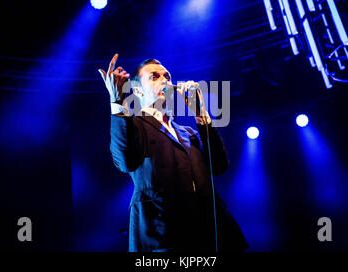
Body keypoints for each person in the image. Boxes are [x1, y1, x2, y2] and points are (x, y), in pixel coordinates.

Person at [99, 53, 248, 252]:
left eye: (167, 76)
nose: (165, 80)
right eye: (155, 76)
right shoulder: (133, 125)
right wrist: (117, 102)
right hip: (164, 235)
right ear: (137, 90)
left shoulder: (188, 132)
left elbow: (220, 166)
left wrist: (201, 113)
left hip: (211, 234)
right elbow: (124, 162)